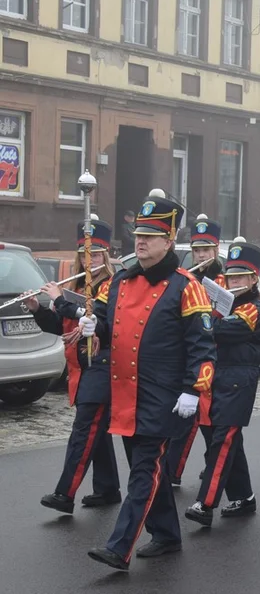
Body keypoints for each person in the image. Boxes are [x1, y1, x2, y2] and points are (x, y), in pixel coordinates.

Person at [85, 191, 216, 571]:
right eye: (138, 234)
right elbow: (113, 327)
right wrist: (98, 324)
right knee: (148, 468)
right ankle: (168, 535)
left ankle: (119, 546)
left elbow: (202, 347)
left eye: (150, 236)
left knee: (143, 471)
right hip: (126, 392)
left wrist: (194, 389)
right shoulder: (122, 281)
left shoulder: (186, 285)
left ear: (169, 241)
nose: (140, 241)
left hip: (164, 397)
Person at [32, 217, 121, 514]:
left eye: (95, 254)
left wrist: (60, 300)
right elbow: (64, 327)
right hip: (84, 367)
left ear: (105, 256)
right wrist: (39, 309)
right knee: (98, 430)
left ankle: (64, 494)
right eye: (84, 253)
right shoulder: (80, 285)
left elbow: (95, 320)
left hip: (105, 364)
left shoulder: (112, 284)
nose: (89, 259)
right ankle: (107, 489)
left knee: (84, 430)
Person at [182, 241, 260, 528]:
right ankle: (244, 497)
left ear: (254, 279)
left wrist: (202, 317)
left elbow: (227, 330)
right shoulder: (225, 302)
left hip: (239, 380)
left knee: (223, 441)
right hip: (217, 378)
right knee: (226, 442)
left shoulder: (254, 307)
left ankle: (206, 503)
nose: (234, 282)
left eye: (241, 277)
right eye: (231, 277)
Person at [168, 214, 225, 485]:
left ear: (216, 251)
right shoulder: (185, 279)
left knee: (212, 423)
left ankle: (215, 468)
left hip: (217, 357)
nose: (201, 254)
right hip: (189, 356)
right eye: (197, 250)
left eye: (206, 249)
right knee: (184, 419)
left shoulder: (225, 280)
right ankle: (172, 472)